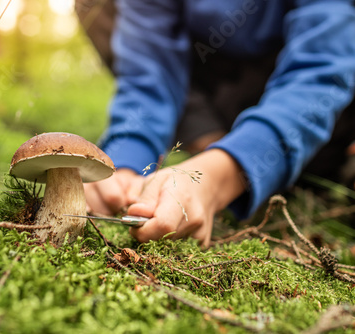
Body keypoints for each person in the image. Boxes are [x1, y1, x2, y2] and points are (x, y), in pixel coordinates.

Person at [75, 0, 355, 246]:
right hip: (217, 88)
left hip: (322, 110)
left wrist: (219, 176)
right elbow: (148, 77)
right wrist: (125, 163)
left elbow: (322, 68)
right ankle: (214, 147)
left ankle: (270, 163)